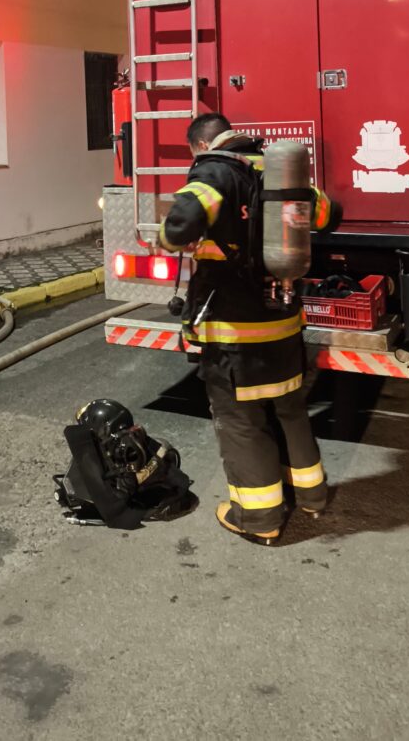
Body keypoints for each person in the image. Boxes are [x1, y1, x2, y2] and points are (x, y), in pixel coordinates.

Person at [158, 112, 341, 546]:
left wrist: (172, 240)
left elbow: (177, 227)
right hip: (283, 318)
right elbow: (327, 215)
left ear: (201, 145)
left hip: (233, 330)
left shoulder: (213, 172)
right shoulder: (279, 172)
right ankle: (312, 496)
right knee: (291, 408)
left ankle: (259, 520)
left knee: (240, 420)